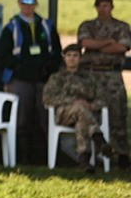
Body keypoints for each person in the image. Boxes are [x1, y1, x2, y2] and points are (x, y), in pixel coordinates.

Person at [0, 0, 61, 162]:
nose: (28, 6)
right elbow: (4, 56)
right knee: (21, 118)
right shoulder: (11, 27)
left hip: (43, 79)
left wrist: (49, 69)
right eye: (24, 2)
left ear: (36, 4)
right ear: (19, 4)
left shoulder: (46, 26)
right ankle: (23, 157)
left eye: (31, 2)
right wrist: (20, 68)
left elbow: (57, 52)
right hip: (20, 79)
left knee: (46, 116)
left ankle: (49, 158)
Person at [78, 0, 131, 170]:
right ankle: (91, 154)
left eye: (106, 5)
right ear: (96, 7)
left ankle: (122, 154)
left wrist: (97, 46)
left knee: (118, 114)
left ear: (112, 7)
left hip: (112, 76)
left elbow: (122, 47)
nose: (103, 9)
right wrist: (108, 42)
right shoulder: (87, 25)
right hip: (90, 76)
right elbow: (85, 42)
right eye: (100, 5)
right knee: (89, 111)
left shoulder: (122, 27)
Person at [44, 44, 111, 172]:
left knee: (82, 121)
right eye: (69, 55)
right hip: (64, 114)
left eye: (75, 56)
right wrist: (74, 102)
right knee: (80, 108)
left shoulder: (90, 78)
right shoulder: (56, 78)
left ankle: (84, 161)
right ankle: (99, 140)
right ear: (64, 58)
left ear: (80, 59)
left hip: (87, 114)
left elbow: (103, 98)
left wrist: (91, 105)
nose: (72, 58)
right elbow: (48, 99)